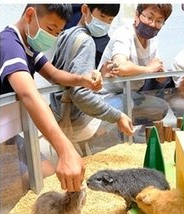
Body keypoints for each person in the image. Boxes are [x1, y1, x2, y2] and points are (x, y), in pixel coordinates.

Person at [0, 4, 103, 191]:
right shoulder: (8, 44)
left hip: (13, 135)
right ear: (30, 15)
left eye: (58, 32)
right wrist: (65, 149)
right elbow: (28, 93)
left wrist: (83, 79)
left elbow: (54, 74)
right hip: (1, 140)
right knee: (29, 184)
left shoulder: (28, 46)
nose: (53, 36)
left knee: (46, 174)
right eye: (50, 29)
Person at [50, 4, 135, 144]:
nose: (105, 23)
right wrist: (117, 117)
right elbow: (80, 94)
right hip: (75, 120)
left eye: (110, 20)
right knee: (127, 102)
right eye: (102, 16)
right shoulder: (86, 41)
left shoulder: (66, 34)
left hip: (58, 113)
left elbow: (68, 77)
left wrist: (100, 73)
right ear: (85, 10)